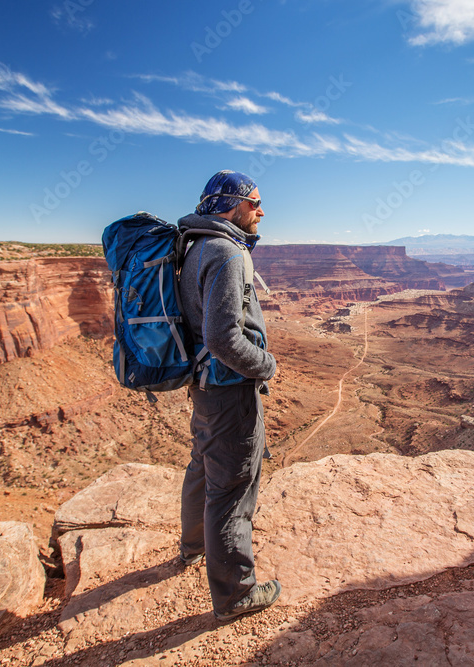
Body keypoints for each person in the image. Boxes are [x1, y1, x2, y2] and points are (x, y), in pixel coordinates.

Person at [176, 170, 280, 622]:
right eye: (255, 203)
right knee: (233, 488)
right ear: (232, 206)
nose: (261, 211)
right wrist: (266, 365)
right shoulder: (228, 253)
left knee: (204, 462)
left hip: (203, 386)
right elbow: (223, 338)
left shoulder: (196, 247)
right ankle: (236, 594)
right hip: (228, 389)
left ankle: (193, 547)